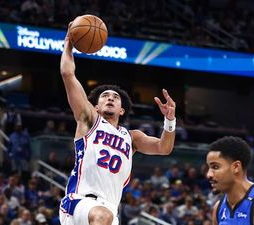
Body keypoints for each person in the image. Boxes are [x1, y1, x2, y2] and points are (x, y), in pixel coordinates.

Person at [59, 20, 176, 225]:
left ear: (122, 110)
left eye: (115, 97)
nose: (110, 98)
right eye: (104, 96)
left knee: (105, 216)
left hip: (110, 212)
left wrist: (170, 120)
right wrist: (69, 43)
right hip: (79, 203)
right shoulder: (89, 120)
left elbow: (163, 147)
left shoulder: (132, 138)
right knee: (102, 216)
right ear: (95, 106)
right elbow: (68, 74)